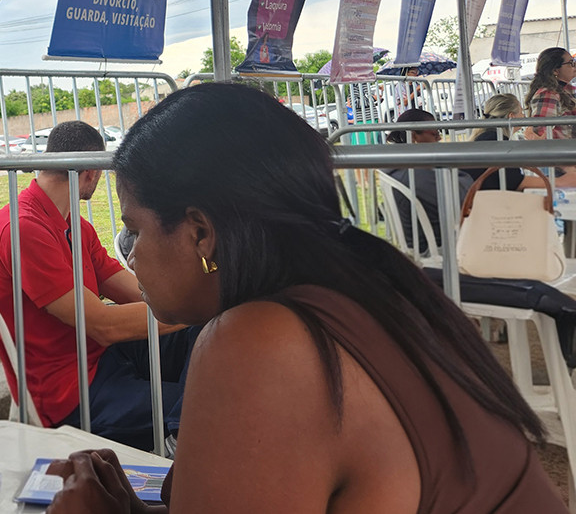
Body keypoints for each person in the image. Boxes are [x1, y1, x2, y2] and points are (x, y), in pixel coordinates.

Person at [46, 82, 564, 514]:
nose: (131, 256)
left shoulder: (259, 344)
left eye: (134, 229)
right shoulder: (371, 281)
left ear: (201, 232)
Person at [0, 120, 195, 452]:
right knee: (207, 402)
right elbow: (103, 325)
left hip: (100, 360)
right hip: (70, 393)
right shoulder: (23, 228)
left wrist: (194, 306)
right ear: (91, 172)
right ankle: (186, 436)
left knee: (202, 337)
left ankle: (181, 425)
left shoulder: (71, 224)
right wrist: (194, 310)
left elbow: (135, 290)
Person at [381, 108, 473, 253]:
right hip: (440, 246)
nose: (440, 138)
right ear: (413, 136)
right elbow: (465, 197)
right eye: (435, 134)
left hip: (419, 244)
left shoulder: (395, 166)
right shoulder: (416, 172)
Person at [526, 46, 576, 141]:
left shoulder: (568, 90)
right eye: (570, 63)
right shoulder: (548, 94)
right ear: (555, 70)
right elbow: (541, 131)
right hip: (562, 150)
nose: (574, 65)